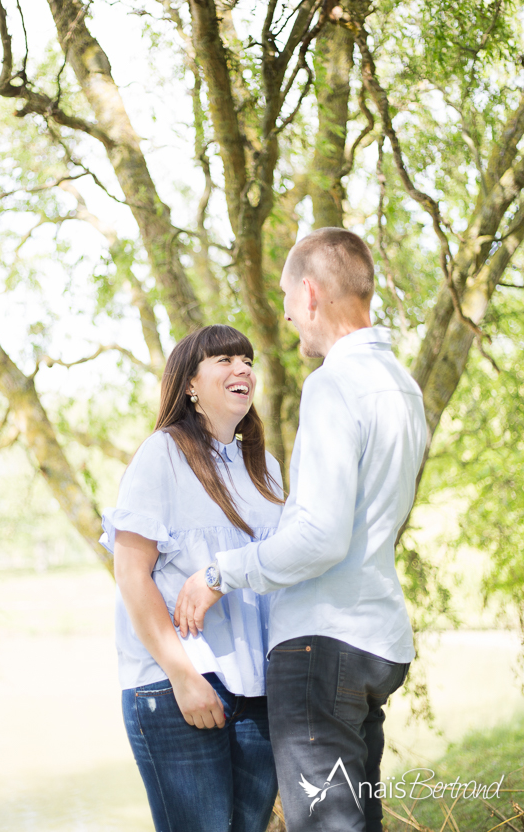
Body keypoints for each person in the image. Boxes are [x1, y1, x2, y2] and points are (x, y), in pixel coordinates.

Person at [174, 229, 427, 832]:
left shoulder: (333, 384)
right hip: (378, 642)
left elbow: (320, 536)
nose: (287, 316)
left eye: (288, 298)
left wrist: (218, 574)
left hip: (323, 647)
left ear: (309, 294)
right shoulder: (403, 387)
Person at [100, 324, 284, 832]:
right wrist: (184, 676)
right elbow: (131, 576)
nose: (242, 368)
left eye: (247, 360)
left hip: (258, 693)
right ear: (189, 385)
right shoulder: (162, 455)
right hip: (177, 685)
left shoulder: (263, 467)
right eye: (224, 359)